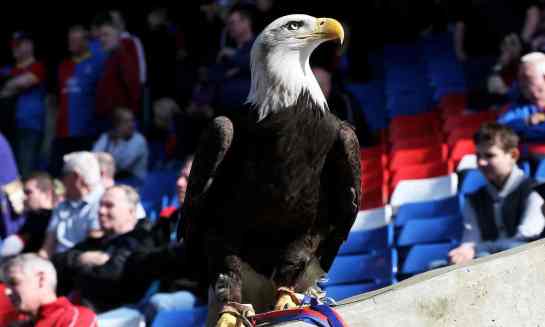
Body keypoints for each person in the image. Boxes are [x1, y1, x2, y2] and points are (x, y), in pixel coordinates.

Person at [449, 123, 545, 265]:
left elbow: (525, 242)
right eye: (478, 156)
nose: (481, 162)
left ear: (513, 155)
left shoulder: (535, 190)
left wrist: (477, 250)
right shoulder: (474, 198)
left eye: (489, 155)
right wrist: (462, 252)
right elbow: (470, 239)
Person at [51, 185, 154, 313]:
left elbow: (111, 278)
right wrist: (81, 258)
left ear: (131, 211)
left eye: (109, 206)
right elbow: (54, 262)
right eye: (101, 205)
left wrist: (75, 271)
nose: (101, 211)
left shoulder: (142, 240)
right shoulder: (98, 241)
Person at [51, 25, 106, 176]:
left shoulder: (97, 64)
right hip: (62, 132)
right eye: (70, 40)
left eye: (75, 40)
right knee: (57, 174)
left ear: (86, 41)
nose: (71, 44)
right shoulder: (63, 66)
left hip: (86, 131)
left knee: (82, 174)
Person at [1, 253, 97, 326]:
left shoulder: (76, 317)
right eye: (7, 285)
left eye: (14, 283)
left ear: (41, 279)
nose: (7, 291)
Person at [0, 31, 47, 177]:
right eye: (14, 46)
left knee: (25, 169)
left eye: (20, 45)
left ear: (30, 45)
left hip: (29, 126)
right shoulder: (6, 69)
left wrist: (7, 86)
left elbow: (22, 83)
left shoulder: (38, 66)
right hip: (7, 127)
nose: (16, 49)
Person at [39, 152, 104, 257]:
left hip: (77, 264)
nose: (61, 182)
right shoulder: (62, 205)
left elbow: (92, 249)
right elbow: (47, 247)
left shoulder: (102, 204)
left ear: (76, 177)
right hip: (55, 264)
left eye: (63, 176)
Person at [94, 13, 141, 118]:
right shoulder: (108, 59)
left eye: (106, 35)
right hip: (108, 120)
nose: (102, 39)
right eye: (100, 36)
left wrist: (126, 114)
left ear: (117, 36)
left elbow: (134, 90)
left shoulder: (125, 58)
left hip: (121, 121)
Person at [1, 172, 54, 257]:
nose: (24, 197)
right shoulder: (27, 218)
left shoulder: (55, 220)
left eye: (28, 192)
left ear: (46, 193)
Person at [93, 107, 149, 183]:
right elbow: (94, 157)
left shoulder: (139, 140)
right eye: (126, 121)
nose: (131, 125)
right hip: (110, 179)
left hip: (134, 181)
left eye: (132, 121)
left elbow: (122, 165)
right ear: (117, 124)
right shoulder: (106, 137)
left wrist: (118, 143)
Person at [497, 52, 545, 141]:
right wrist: (528, 121)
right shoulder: (518, 108)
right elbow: (499, 130)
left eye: (527, 78)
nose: (521, 83)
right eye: (519, 78)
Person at [94, 151, 146, 219]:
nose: (101, 211)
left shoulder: (126, 196)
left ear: (101, 173)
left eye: (88, 171)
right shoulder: (89, 197)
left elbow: (141, 223)